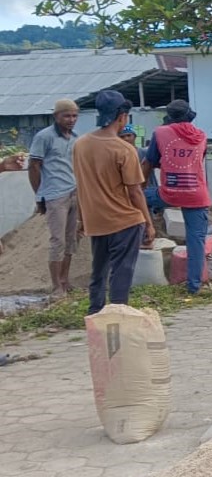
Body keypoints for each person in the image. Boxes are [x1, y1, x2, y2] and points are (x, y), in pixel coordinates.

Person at [73, 90, 155, 315]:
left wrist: (82, 218)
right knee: (122, 270)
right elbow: (135, 192)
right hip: (124, 221)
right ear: (122, 116)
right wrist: (148, 223)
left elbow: (80, 186)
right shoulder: (124, 149)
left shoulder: (80, 145)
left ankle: (94, 313)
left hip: (95, 220)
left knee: (98, 270)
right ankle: (118, 315)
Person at [141, 100, 211, 295]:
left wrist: (139, 190)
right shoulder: (202, 136)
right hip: (196, 193)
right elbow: (196, 162)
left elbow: (150, 163)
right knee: (196, 239)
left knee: (137, 199)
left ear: (169, 117)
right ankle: (194, 286)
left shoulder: (160, 133)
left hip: (169, 192)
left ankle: (145, 234)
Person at [28, 99, 80, 297]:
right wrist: (39, 194)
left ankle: (65, 279)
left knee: (71, 239)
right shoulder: (44, 137)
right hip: (54, 195)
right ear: (56, 116)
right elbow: (34, 166)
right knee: (57, 240)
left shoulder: (75, 138)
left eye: (74, 115)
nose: (71, 119)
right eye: (67, 115)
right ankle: (56, 285)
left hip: (74, 192)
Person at [119, 125, 158, 191]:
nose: (126, 139)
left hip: (149, 190)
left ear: (135, 137)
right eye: (122, 137)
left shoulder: (146, 153)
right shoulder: (118, 157)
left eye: (129, 135)